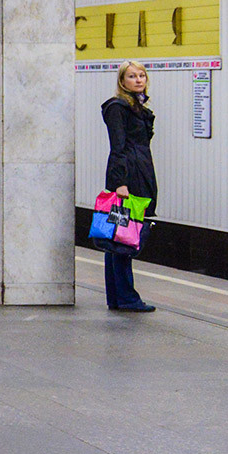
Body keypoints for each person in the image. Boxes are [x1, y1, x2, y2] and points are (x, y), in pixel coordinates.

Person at [102, 60, 157, 313]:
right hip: (129, 176)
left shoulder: (136, 106)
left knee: (118, 235)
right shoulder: (119, 108)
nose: (138, 79)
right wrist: (119, 182)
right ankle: (126, 297)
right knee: (124, 237)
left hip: (138, 170)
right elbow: (118, 146)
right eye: (132, 76)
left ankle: (118, 297)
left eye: (141, 75)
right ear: (122, 81)